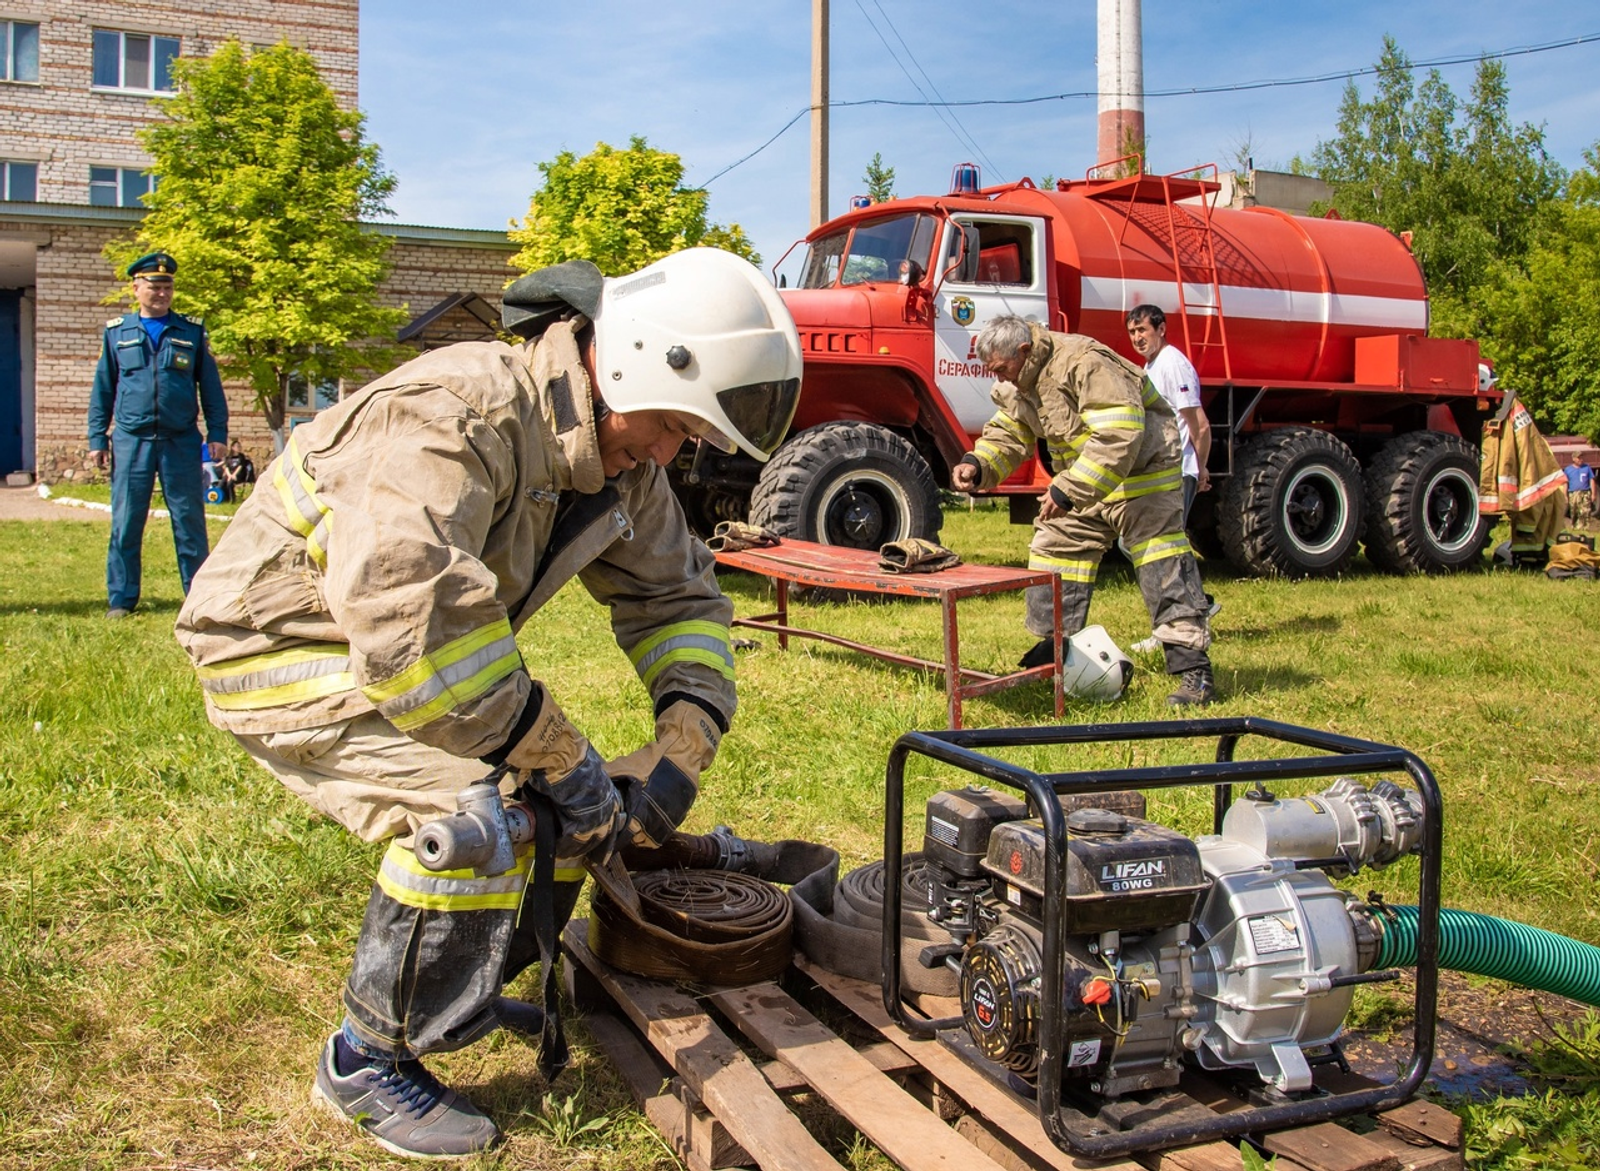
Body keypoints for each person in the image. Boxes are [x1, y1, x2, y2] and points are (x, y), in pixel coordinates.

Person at [174, 248, 802, 1160]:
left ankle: (459, 990)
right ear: (623, 361)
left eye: (685, 438)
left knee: (562, 807)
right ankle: (364, 1057)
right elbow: (413, 627)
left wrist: (679, 750)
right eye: (668, 425)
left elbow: (680, 602)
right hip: (277, 648)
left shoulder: (613, 447)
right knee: (484, 808)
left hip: (386, 647)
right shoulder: (451, 412)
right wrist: (559, 759)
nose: (667, 454)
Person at [952, 314, 1215, 705]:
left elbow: (1120, 433)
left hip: (1141, 477)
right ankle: (1055, 652)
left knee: (1163, 562)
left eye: (1003, 369)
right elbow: (1010, 431)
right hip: (1086, 482)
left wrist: (1068, 490)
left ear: (1024, 351)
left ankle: (1192, 669)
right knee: (1053, 550)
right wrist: (978, 464)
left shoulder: (1083, 361)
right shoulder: (1018, 380)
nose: (1001, 379)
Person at [87, 251, 228, 618]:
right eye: (154, 286)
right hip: (131, 440)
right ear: (136, 288)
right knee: (127, 521)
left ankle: (198, 599)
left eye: (167, 286)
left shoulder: (191, 332)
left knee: (189, 522)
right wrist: (97, 438)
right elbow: (103, 388)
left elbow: (210, 389)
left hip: (180, 440)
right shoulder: (118, 333)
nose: (162, 292)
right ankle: (121, 599)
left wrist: (218, 433)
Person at [1125, 305, 1217, 651]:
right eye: (1132, 333)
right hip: (1162, 473)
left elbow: (1200, 424)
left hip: (1177, 471)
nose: (1137, 338)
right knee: (1162, 548)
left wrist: (1201, 467)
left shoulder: (1173, 363)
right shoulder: (1151, 366)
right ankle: (1197, 606)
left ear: (1161, 329)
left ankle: (1178, 622)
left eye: (1143, 331)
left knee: (1164, 550)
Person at [219, 438, 256, 503]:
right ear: (232, 447)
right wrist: (229, 475)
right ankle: (224, 498)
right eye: (237, 446)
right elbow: (227, 467)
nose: (239, 448)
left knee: (230, 483)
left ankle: (232, 499)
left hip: (238, 474)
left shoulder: (241, 456)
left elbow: (240, 466)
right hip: (229, 474)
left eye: (239, 446)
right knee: (221, 483)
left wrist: (234, 475)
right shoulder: (229, 457)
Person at [1563, 454, 1594, 527]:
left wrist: (1594, 494)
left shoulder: (1587, 467)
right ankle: (1574, 526)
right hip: (1573, 493)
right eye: (1578, 458)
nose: (1581, 459)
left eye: (1582, 457)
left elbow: (1592, 480)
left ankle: (1585, 527)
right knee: (1574, 510)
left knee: (1585, 511)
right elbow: (1565, 483)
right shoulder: (1568, 469)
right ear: (1573, 459)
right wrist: (1565, 495)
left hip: (1585, 492)